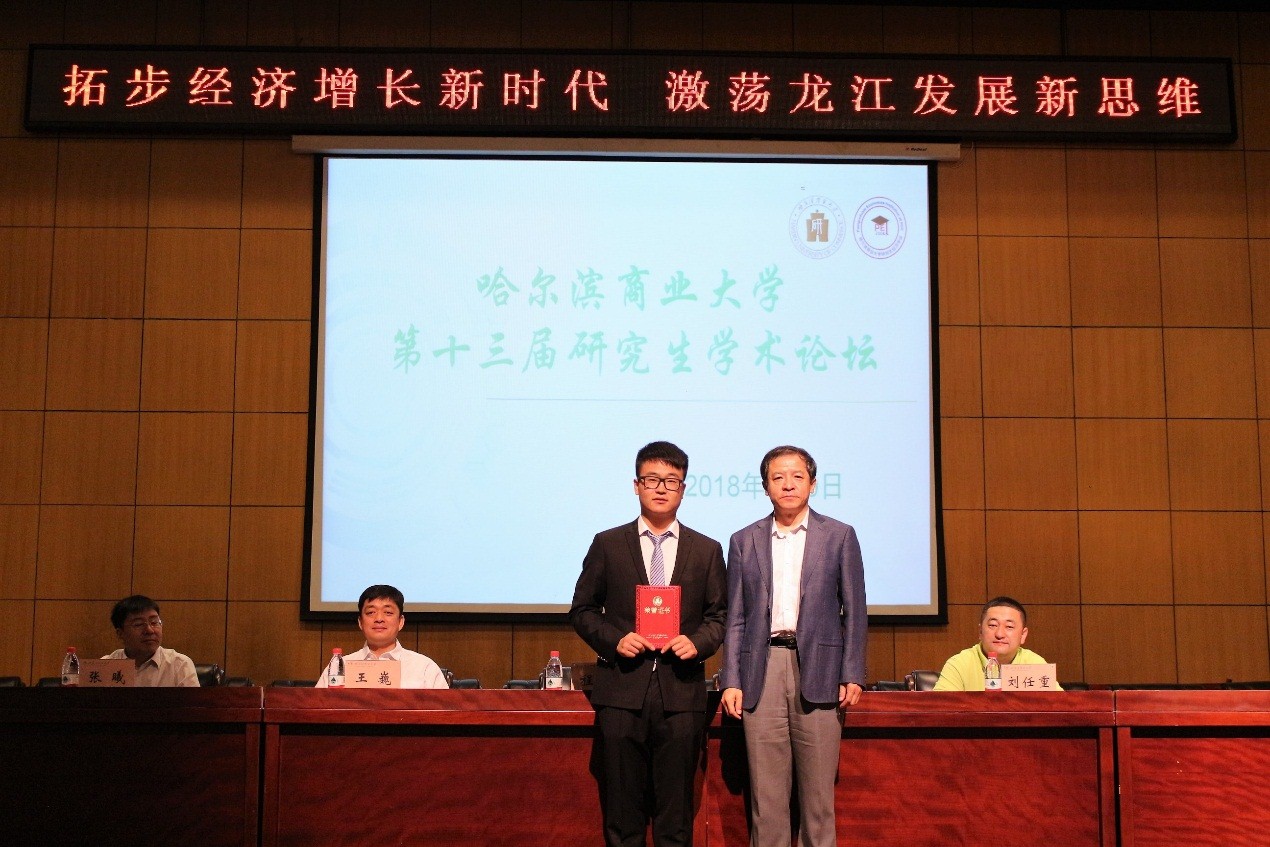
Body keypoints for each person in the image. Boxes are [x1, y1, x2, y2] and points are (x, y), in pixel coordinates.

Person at [570, 441, 727, 847]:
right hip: (622, 692)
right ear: (636, 485)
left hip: (681, 695)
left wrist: (698, 643)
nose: (661, 488)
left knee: (676, 818)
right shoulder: (608, 543)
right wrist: (615, 640)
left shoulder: (707, 550)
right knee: (623, 817)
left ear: (683, 489)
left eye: (671, 481)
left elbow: (720, 617)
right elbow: (583, 610)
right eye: (652, 479)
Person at [720, 445, 867, 847]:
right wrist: (731, 678)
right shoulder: (743, 540)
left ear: (813, 484)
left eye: (797, 476)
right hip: (761, 669)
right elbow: (736, 617)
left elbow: (854, 610)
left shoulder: (839, 536)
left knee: (818, 799)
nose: (788, 484)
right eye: (778, 477)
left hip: (820, 670)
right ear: (765, 486)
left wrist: (852, 672)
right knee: (766, 799)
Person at [315, 584, 448, 689]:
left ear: (400, 622)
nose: (379, 618)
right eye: (371, 612)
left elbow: (445, 711)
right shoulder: (340, 667)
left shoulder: (424, 667)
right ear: (360, 622)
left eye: (388, 612)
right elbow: (317, 707)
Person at [932, 596, 1062, 691]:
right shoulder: (959, 664)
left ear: (1023, 635)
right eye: (993, 625)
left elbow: (1058, 708)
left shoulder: (1035, 664)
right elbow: (940, 710)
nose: (1000, 634)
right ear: (980, 631)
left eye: (1009, 627)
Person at [103, 595, 199, 687]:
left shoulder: (180, 665)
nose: (150, 630)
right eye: (138, 624)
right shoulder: (105, 666)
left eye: (154, 622)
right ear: (120, 633)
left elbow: (192, 699)